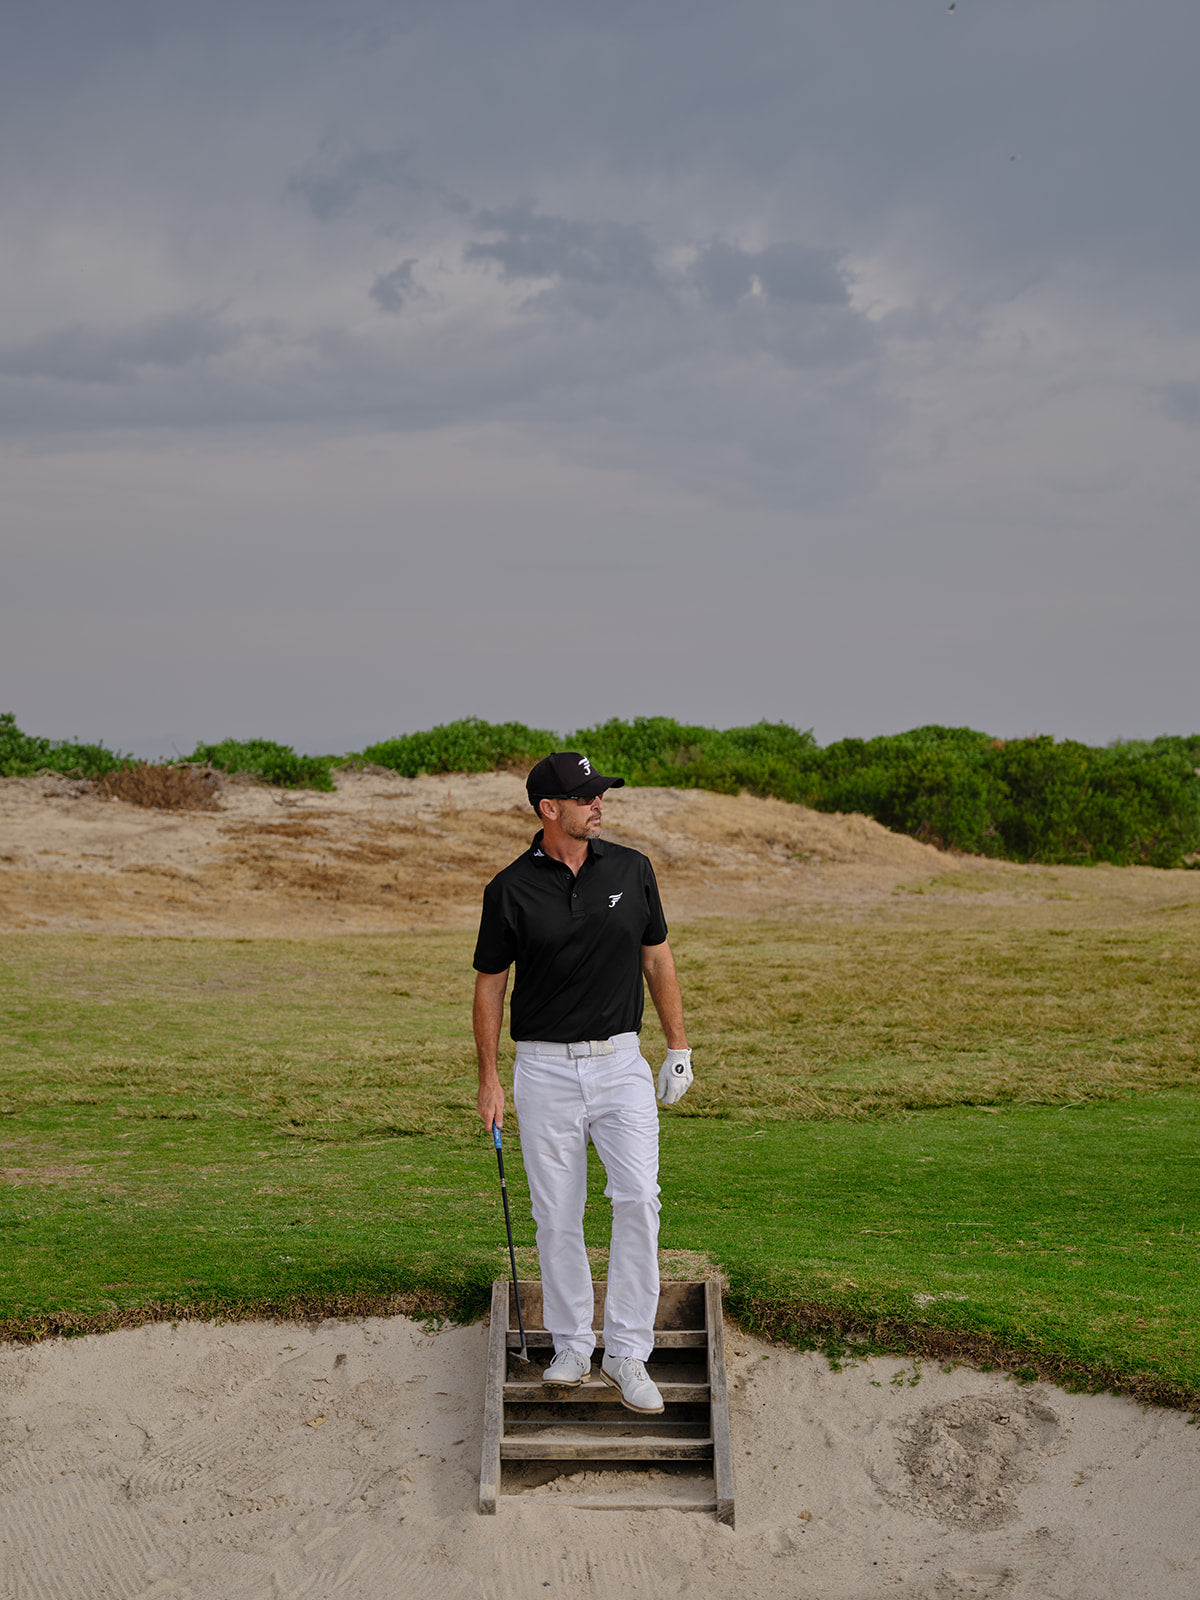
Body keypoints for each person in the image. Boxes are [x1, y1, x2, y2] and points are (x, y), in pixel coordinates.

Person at [472, 751, 693, 1414]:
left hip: (621, 1062)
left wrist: (678, 1047)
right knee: (556, 1215)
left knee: (638, 1200)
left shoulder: (632, 869)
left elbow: (657, 958)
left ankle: (627, 1351)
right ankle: (571, 1344)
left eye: (600, 796)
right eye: (586, 797)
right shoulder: (509, 889)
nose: (599, 805)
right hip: (542, 1068)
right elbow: (490, 985)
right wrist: (489, 1079)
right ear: (550, 809)